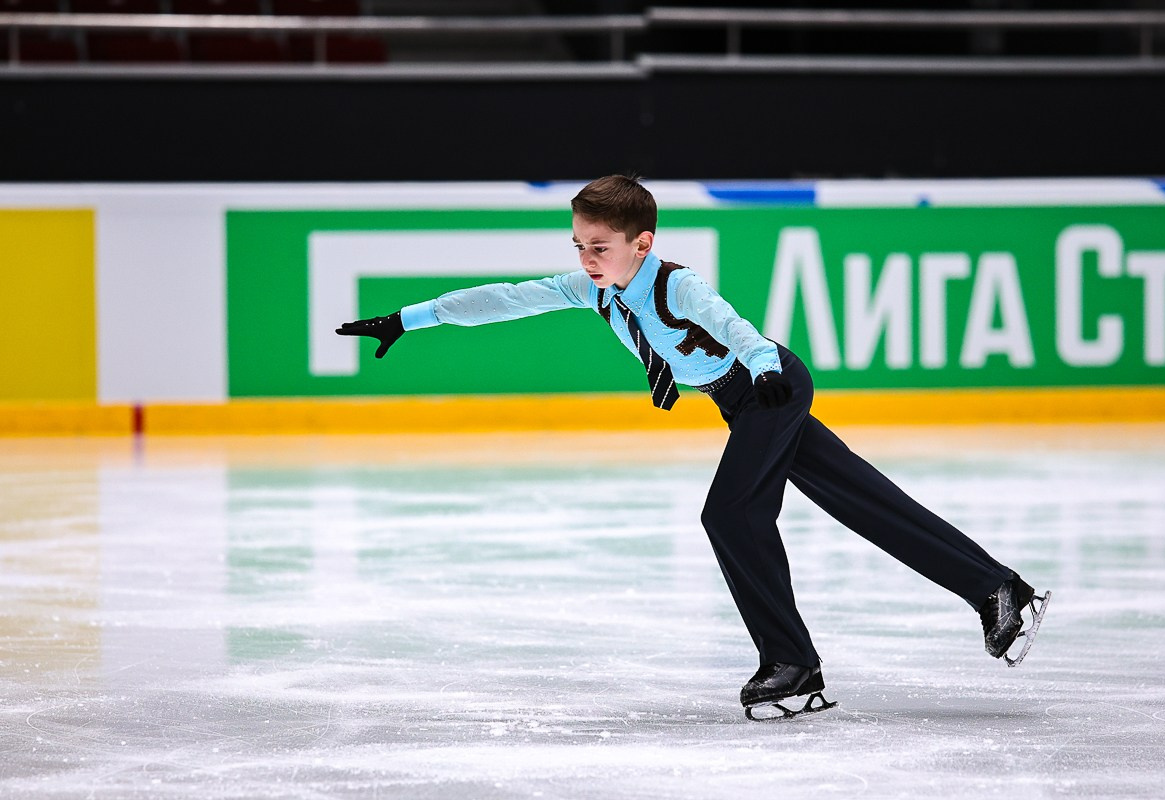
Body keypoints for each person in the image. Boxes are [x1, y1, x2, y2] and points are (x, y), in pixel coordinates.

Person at [335, 175, 1051, 720]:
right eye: (579, 245)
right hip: (743, 400)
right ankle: (997, 589)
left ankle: (793, 663)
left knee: (729, 515)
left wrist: (764, 371)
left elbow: (735, 326)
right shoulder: (598, 291)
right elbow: (505, 297)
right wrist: (408, 318)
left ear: (641, 243)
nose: (586, 258)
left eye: (600, 247)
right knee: (863, 500)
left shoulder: (676, 284)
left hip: (768, 386)